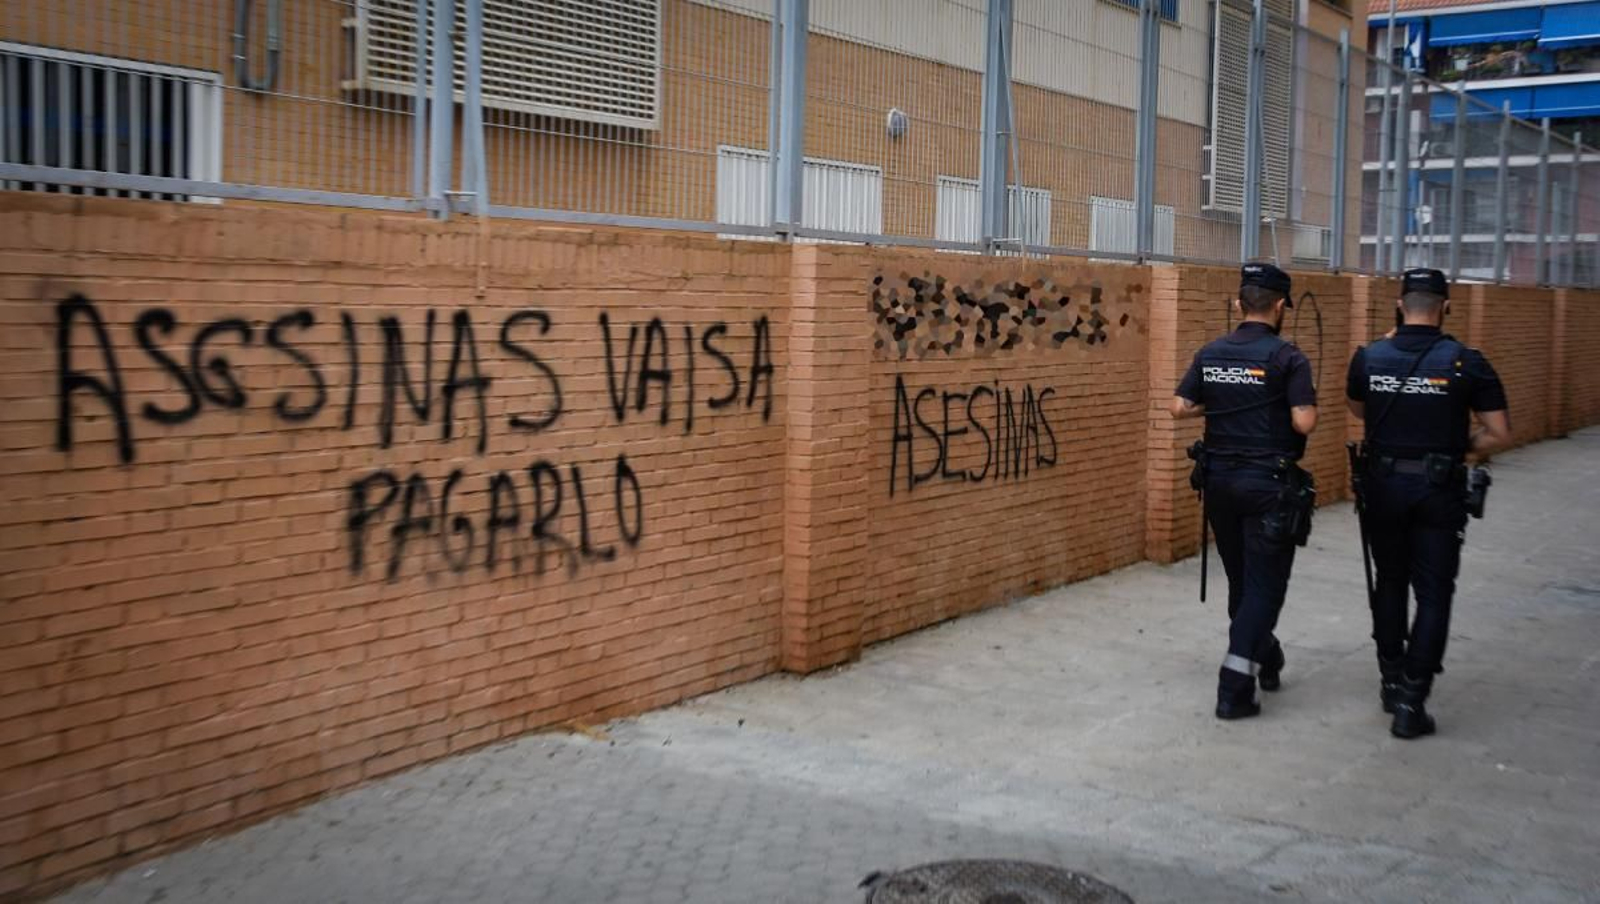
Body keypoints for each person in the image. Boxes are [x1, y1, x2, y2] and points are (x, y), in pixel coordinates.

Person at [1346, 268, 1511, 739]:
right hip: (1439, 491)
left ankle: (1390, 678)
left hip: (1382, 487)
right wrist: (1459, 450)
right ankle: (1412, 700)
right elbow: (1498, 432)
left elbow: (1360, 412)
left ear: (1400, 305)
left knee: (1390, 580)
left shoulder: (1370, 357)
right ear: (1446, 307)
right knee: (1434, 592)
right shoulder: (1466, 361)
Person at [1171, 263, 1319, 720]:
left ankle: (1266, 654)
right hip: (1267, 485)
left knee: (1241, 579)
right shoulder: (1288, 357)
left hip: (1219, 483)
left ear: (1239, 304)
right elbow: (1304, 422)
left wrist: (1220, 406)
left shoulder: (1211, 352)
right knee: (1264, 585)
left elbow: (1179, 407)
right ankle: (1235, 686)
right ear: (1279, 307)